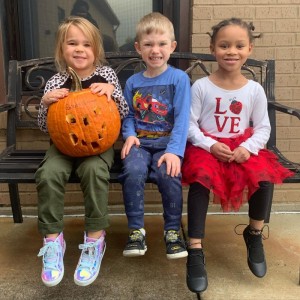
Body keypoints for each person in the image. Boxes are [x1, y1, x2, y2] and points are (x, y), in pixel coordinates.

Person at [182, 17, 294, 293]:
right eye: (224, 45)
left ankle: (254, 232)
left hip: (241, 147)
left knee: (264, 175)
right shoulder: (201, 87)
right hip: (208, 148)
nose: (231, 51)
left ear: (249, 50)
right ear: (212, 48)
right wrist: (209, 145)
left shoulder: (253, 90)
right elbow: (189, 125)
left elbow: (262, 127)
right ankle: (195, 248)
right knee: (200, 179)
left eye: (238, 45)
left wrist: (248, 148)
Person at [35, 16, 128, 287]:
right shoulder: (55, 82)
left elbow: (121, 115)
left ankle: (95, 239)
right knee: (48, 174)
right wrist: (45, 103)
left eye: (86, 44)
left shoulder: (106, 75)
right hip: (62, 146)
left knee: (95, 171)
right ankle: (53, 239)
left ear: (96, 49)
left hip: (99, 144)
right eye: (72, 43)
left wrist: (113, 91)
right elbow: (45, 127)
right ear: (62, 49)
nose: (79, 49)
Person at [118, 12, 191, 260]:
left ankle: (172, 232)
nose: (155, 50)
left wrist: (174, 151)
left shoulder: (179, 79)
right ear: (139, 48)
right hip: (140, 143)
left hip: (167, 146)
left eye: (161, 44)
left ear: (172, 47)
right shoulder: (133, 83)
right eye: (148, 44)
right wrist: (128, 135)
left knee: (168, 173)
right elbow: (128, 115)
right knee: (133, 170)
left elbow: (182, 119)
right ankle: (136, 231)